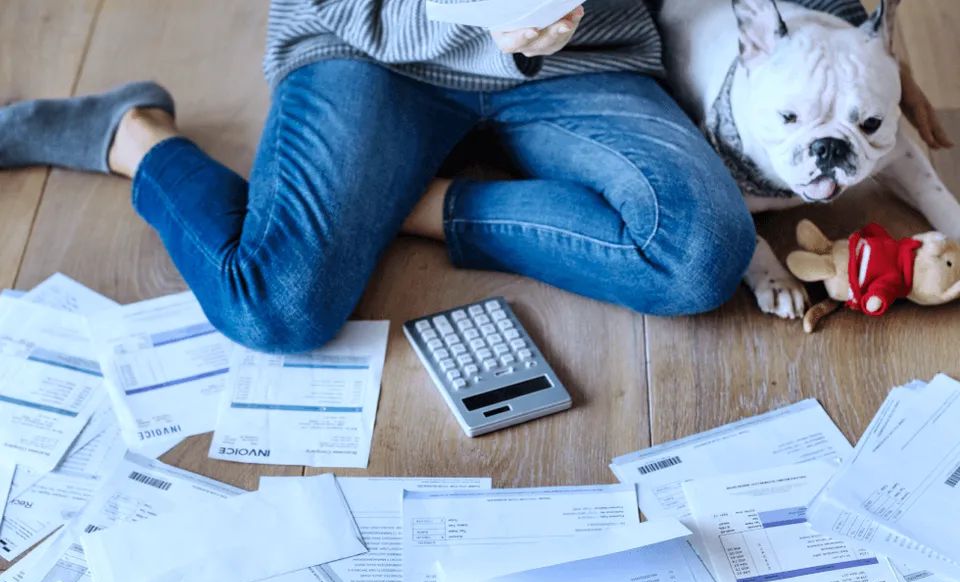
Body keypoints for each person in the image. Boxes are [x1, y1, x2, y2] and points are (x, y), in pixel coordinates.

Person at [0, 1, 948, 353]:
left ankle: (423, 205)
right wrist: (474, 23)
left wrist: (842, 40)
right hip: (369, 50)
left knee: (706, 254)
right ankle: (132, 134)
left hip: (590, 57)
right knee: (276, 307)